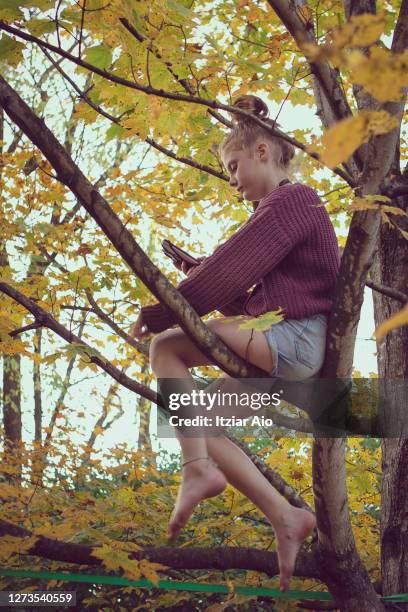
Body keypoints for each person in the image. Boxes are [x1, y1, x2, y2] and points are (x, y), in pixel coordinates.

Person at [130, 94, 340, 591]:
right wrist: (196, 273)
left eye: (233, 165)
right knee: (204, 423)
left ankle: (196, 469)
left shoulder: (295, 199)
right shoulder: (279, 212)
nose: (230, 179)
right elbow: (241, 297)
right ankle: (285, 517)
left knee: (166, 346)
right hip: (283, 346)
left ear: (262, 151)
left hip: (295, 341)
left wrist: (163, 308)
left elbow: (227, 275)